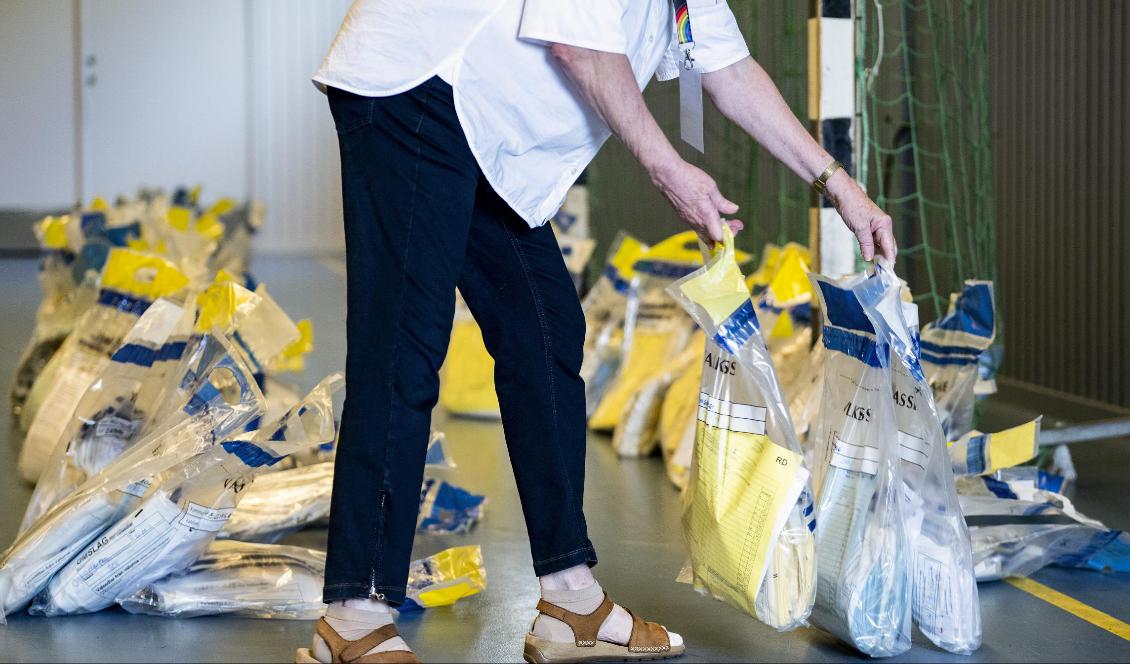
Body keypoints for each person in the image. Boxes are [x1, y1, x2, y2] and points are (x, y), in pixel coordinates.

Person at [298, 1, 896, 663]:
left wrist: (841, 187)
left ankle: (570, 601)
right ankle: (352, 617)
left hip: (486, 127)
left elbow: (729, 71)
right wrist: (669, 168)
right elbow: (578, 48)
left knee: (546, 327)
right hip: (417, 86)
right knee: (403, 343)